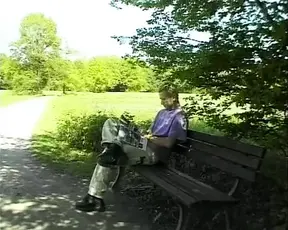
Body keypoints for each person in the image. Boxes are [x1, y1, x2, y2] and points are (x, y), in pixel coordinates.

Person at [75, 84, 188, 212]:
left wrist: (148, 138)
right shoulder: (162, 113)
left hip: (154, 153)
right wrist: (137, 131)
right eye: (160, 99)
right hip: (143, 146)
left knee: (111, 155)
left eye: (163, 99)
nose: (161, 102)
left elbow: (168, 143)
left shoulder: (179, 117)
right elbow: (151, 132)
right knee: (111, 122)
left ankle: (94, 198)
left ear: (173, 98)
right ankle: (113, 148)